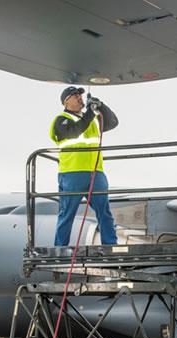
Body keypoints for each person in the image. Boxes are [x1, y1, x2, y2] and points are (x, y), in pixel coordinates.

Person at [50, 86, 119, 246]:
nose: (79, 98)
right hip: (72, 173)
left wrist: (101, 106)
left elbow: (112, 122)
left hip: (96, 172)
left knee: (104, 211)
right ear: (66, 101)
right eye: (75, 96)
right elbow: (74, 131)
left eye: (80, 95)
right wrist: (89, 112)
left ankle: (110, 245)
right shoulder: (61, 120)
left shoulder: (91, 120)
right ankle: (60, 247)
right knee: (67, 213)